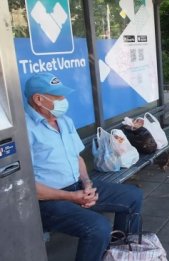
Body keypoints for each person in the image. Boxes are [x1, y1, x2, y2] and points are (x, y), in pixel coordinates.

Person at [23, 72, 143, 261]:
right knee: (97, 227)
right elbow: (26, 185)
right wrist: (71, 197)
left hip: (77, 187)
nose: (64, 101)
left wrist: (87, 184)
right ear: (39, 99)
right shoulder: (24, 130)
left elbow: (77, 157)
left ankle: (121, 254)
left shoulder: (64, 121)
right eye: (58, 97)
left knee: (133, 196)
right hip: (48, 200)